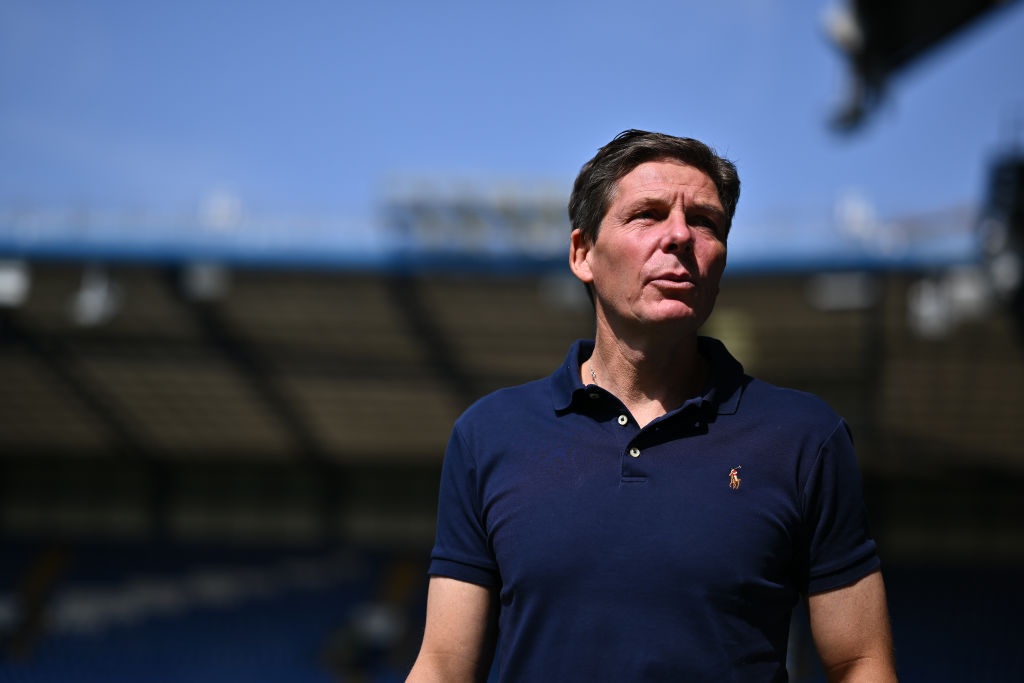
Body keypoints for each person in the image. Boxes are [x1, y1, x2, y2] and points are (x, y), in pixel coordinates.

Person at [407, 130, 896, 682]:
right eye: (648, 214)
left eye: (706, 222)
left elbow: (861, 662)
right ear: (583, 253)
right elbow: (444, 666)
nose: (681, 236)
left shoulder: (806, 438)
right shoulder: (489, 436)